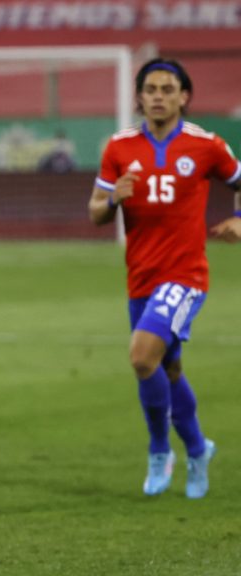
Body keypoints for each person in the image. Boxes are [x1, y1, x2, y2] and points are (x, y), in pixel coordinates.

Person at [88, 57, 241, 499]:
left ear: (183, 97)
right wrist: (113, 199)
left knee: (140, 357)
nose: (158, 96)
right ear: (139, 97)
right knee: (166, 367)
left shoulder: (206, 145)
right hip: (140, 278)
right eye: (150, 89)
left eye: (167, 89)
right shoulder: (118, 148)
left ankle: (160, 451)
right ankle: (197, 449)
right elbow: (95, 212)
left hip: (185, 276)